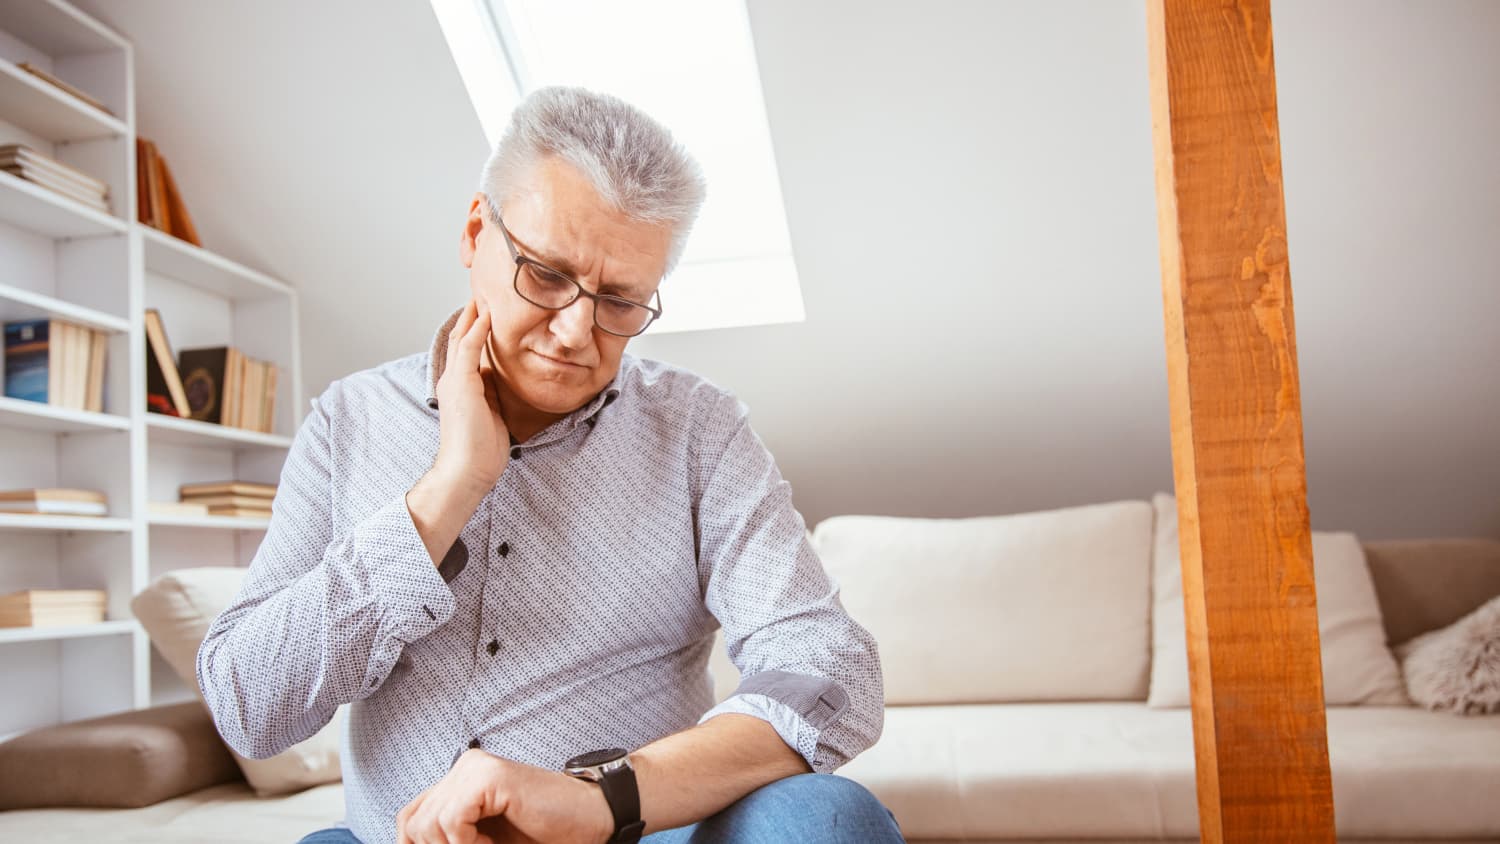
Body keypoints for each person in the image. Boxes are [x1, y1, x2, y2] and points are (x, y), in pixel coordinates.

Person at [196, 86, 901, 844]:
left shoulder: (701, 431)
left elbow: (833, 672)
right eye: (547, 275)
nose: (574, 332)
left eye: (621, 301)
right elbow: (247, 705)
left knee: (825, 820)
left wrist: (604, 800)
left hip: (631, 838)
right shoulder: (347, 420)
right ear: (476, 232)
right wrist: (448, 489)